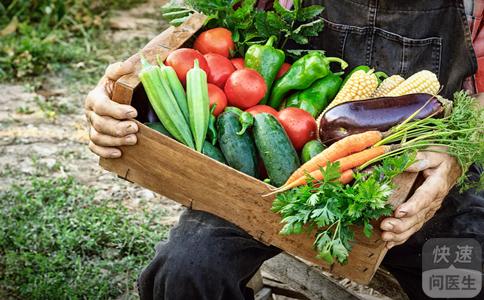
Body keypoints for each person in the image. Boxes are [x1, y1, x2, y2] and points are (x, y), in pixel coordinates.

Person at [84, 0, 483, 299]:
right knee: (187, 271)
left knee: (465, 284)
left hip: (431, 178)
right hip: (280, 175)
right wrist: (123, 84)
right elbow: (200, 34)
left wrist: (454, 157)